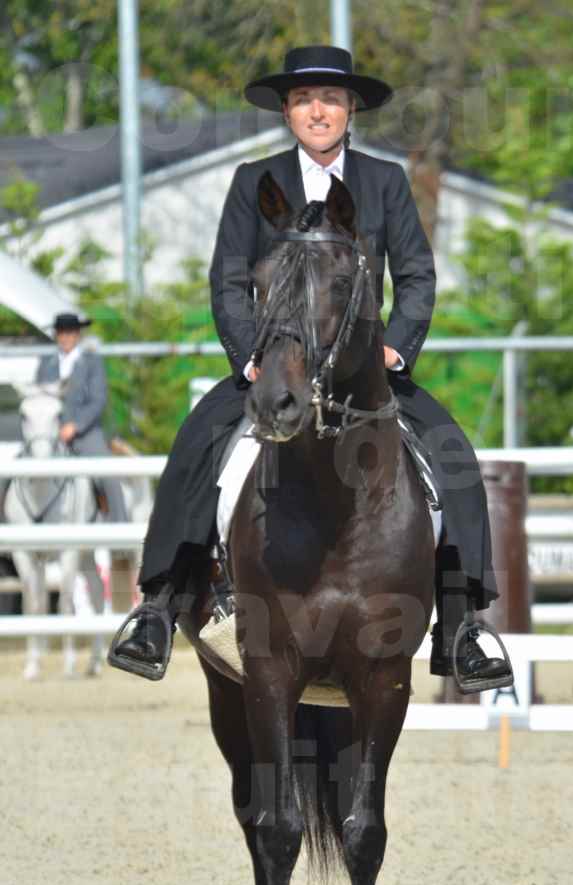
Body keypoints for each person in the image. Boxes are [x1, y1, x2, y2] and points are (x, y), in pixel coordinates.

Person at [110, 45, 511, 691]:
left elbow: (414, 277)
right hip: (278, 365)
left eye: (329, 98)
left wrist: (396, 349)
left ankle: (463, 625)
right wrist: (251, 357)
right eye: (303, 100)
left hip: (364, 370)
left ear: (351, 107)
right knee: (194, 445)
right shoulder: (255, 181)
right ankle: (158, 605)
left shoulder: (385, 180)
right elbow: (228, 280)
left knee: (453, 455)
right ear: (288, 112)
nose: (317, 110)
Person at [37, 313, 128, 522]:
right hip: (50, 432)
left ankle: (121, 530)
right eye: (62, 333)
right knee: (18, 468)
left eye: (70, 333)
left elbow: (98, 399)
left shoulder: (92, 361)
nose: (66, 337)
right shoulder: (46, 363)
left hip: (85, 433)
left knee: (109, 476)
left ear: (77, 335)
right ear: (56, 335)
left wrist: (75, 426)